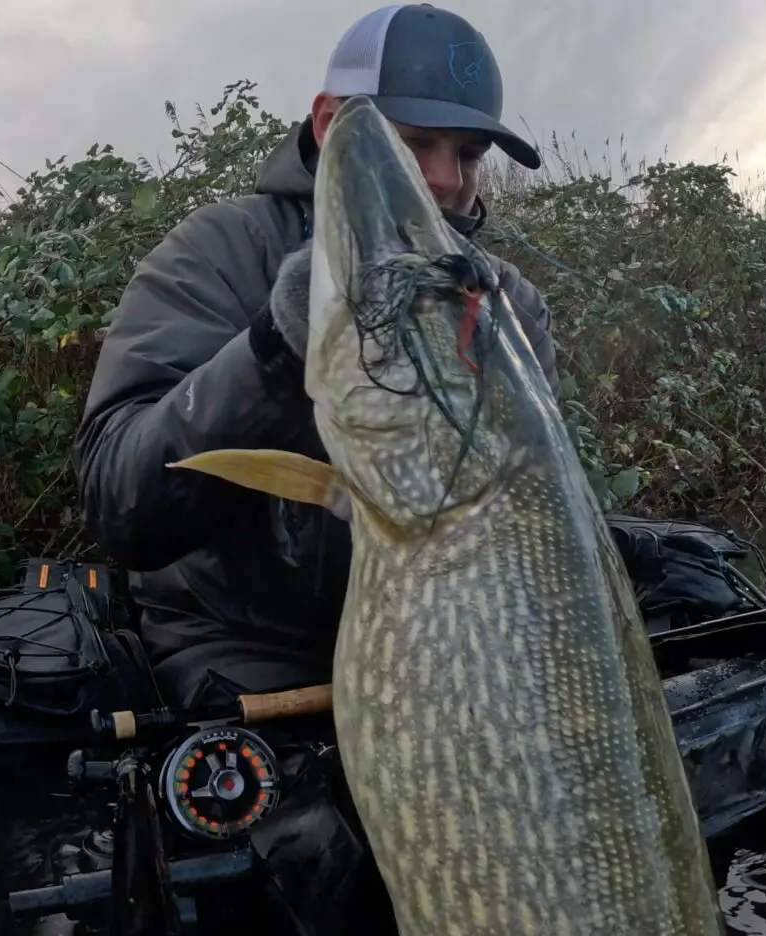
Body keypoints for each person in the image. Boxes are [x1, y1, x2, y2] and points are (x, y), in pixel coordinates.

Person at [74, 3, 558, 710]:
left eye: (468, 154)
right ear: (332, 123)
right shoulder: (219, 250)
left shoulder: (509, 304)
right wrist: (274, 347)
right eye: (416, 143)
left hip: (441, 638)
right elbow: (121, 499)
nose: (448, 179)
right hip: (244, 647)